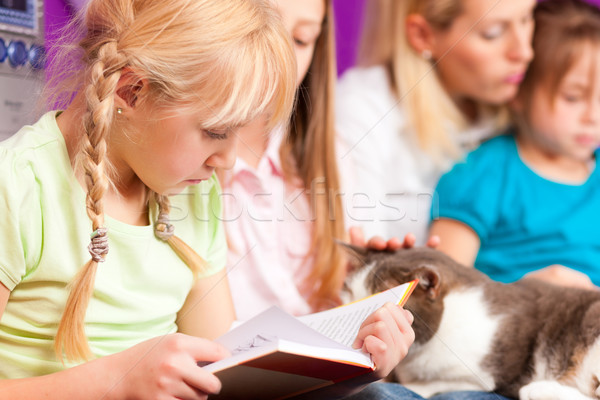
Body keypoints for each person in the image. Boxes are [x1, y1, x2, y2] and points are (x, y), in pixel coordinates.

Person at [0, 0, 414, 398]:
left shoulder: (194, 194)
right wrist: (115, 382)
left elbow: (225, 365)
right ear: (131, 91)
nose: (229, 159)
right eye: (217, 132)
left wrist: (352, 369)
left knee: (385, 395)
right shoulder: (18, 185)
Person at [222, 0, 413, 320]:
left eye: (300, 40)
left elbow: (346, 312)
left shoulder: (333, 158)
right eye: (261, 30)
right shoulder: (185, 165)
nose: (281, 59)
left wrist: (372, 292)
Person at [430, 0, 600, 290]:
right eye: (573, 97)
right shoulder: (483, 173)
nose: (593, 116)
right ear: (519, 91)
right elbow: (438, 289)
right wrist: (522, 296)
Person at [336, 0, 536, 245]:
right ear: (422, 35)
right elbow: (364, 264)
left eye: (527, 18)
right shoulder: (362, 112)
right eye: (492, 33)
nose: (525, 51)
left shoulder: (535, 104)